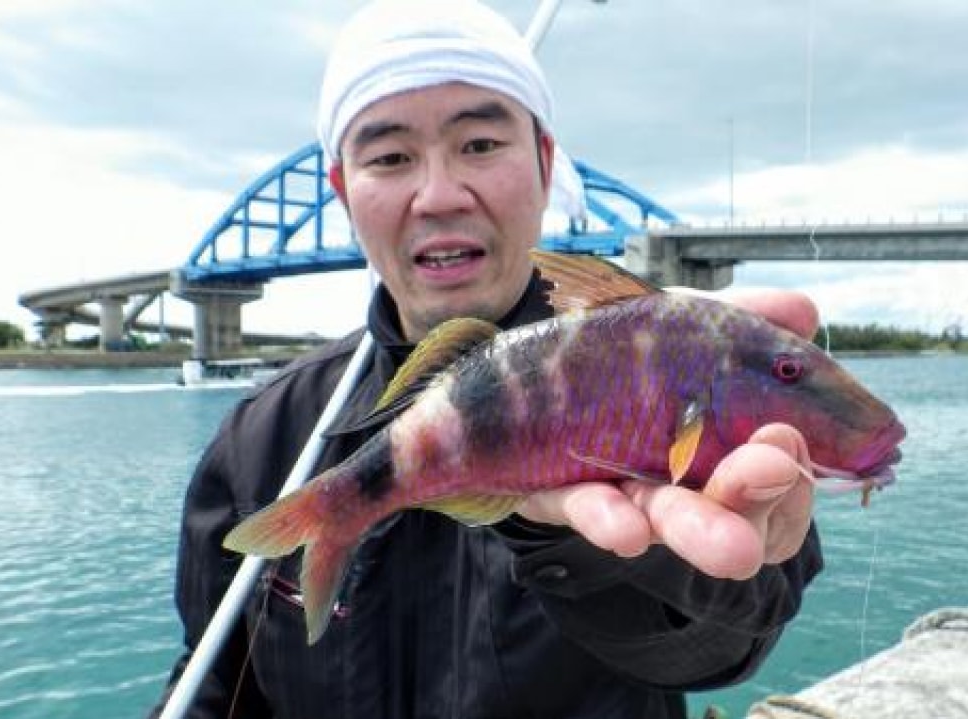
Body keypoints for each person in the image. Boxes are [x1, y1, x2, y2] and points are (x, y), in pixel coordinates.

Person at [150, 1, 822, 717]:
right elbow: (215, 682)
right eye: (388, 157)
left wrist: (606, 550)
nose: (438, 195)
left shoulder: (675, 371)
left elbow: (722, 643)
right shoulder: (260, 440)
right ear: (343, 191)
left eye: (479, 144)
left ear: (545, 163)